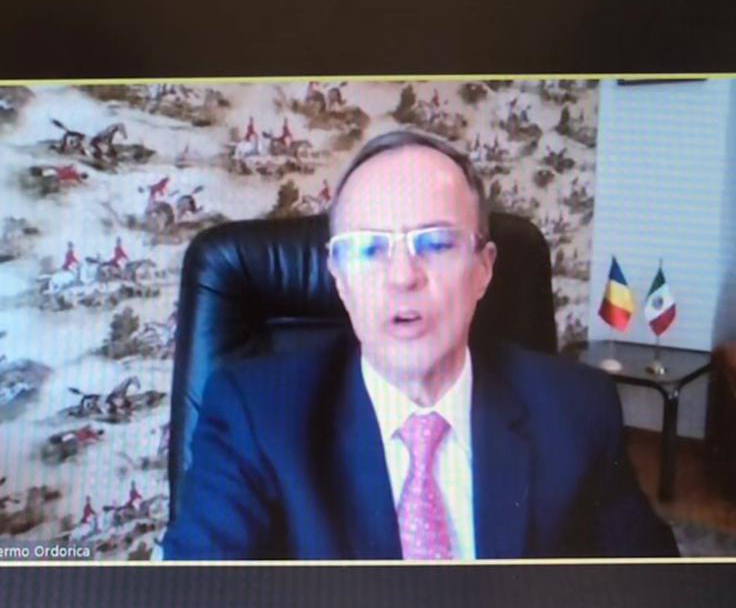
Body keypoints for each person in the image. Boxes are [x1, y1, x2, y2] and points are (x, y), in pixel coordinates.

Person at [164, 130, 677, 560]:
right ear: (338, 277)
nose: (403, 276)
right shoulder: (254, 414)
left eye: (435, 242)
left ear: (483, 270)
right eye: (368, 249)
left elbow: (650, 595)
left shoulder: (578, 408)